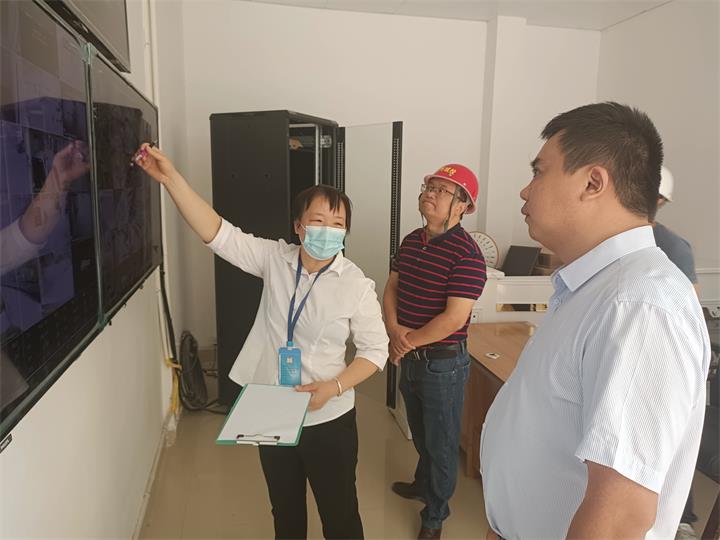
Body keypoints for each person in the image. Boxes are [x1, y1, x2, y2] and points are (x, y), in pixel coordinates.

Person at [135, 143, 389, 539]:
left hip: (328, 415)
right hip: (273, 406)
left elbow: (376, 350)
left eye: (338, 223)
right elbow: (218, 233)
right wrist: (170, 180)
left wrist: (334, 387)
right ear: (298, 226)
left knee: (340, 515)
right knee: (285, 510)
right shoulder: (276, 260)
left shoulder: (355, 284)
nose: (328, 231)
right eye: (318, 220)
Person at [481, 102, 710, 539]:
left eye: (539, 172)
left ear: (592, 182)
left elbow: (620, 516)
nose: (525, 191)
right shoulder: (598, 288)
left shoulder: (639, 304)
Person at [384, 164, 487, 539]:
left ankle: (435, 514)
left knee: (442, 443)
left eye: (443, 190)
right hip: (410, 357)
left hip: (442, 365)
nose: (431, 193)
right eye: (430, 186)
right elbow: (392, 287)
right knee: (421, 432)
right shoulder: (412, 240)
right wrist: (394, 329)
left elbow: (453, 318)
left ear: (462, 206)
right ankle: (422, 483)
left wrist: (405, 340)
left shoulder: (468, 255)